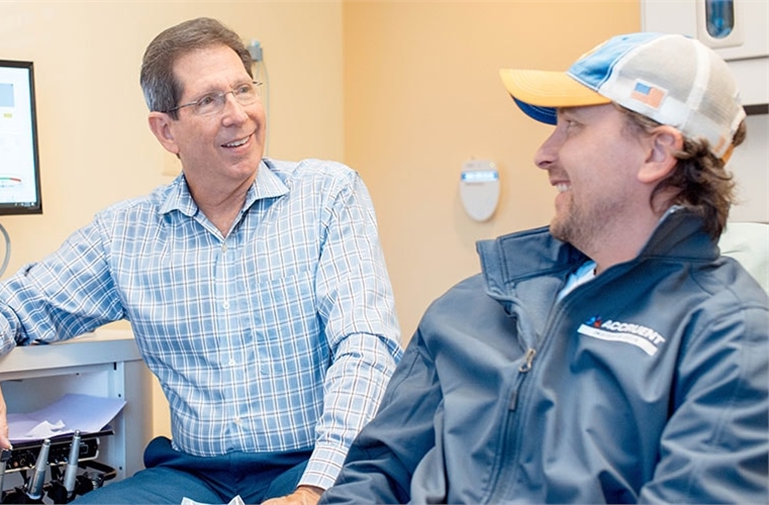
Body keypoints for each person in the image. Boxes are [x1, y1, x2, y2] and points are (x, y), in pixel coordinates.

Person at [0, 17, 402, 505]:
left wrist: (313, 489)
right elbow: (9, 304)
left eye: (244, 90)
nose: (238, 114)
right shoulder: (125, 234)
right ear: (165, 131)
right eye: (208, 100)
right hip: (191, 475)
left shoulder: (329, 196)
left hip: (314, 460)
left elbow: (366, 348)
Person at [320, 32, 768, 504]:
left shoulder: (730, 337)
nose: (543, 154)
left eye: (572, 126)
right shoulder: (476, 302)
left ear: (656, 153)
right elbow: (378, 473)